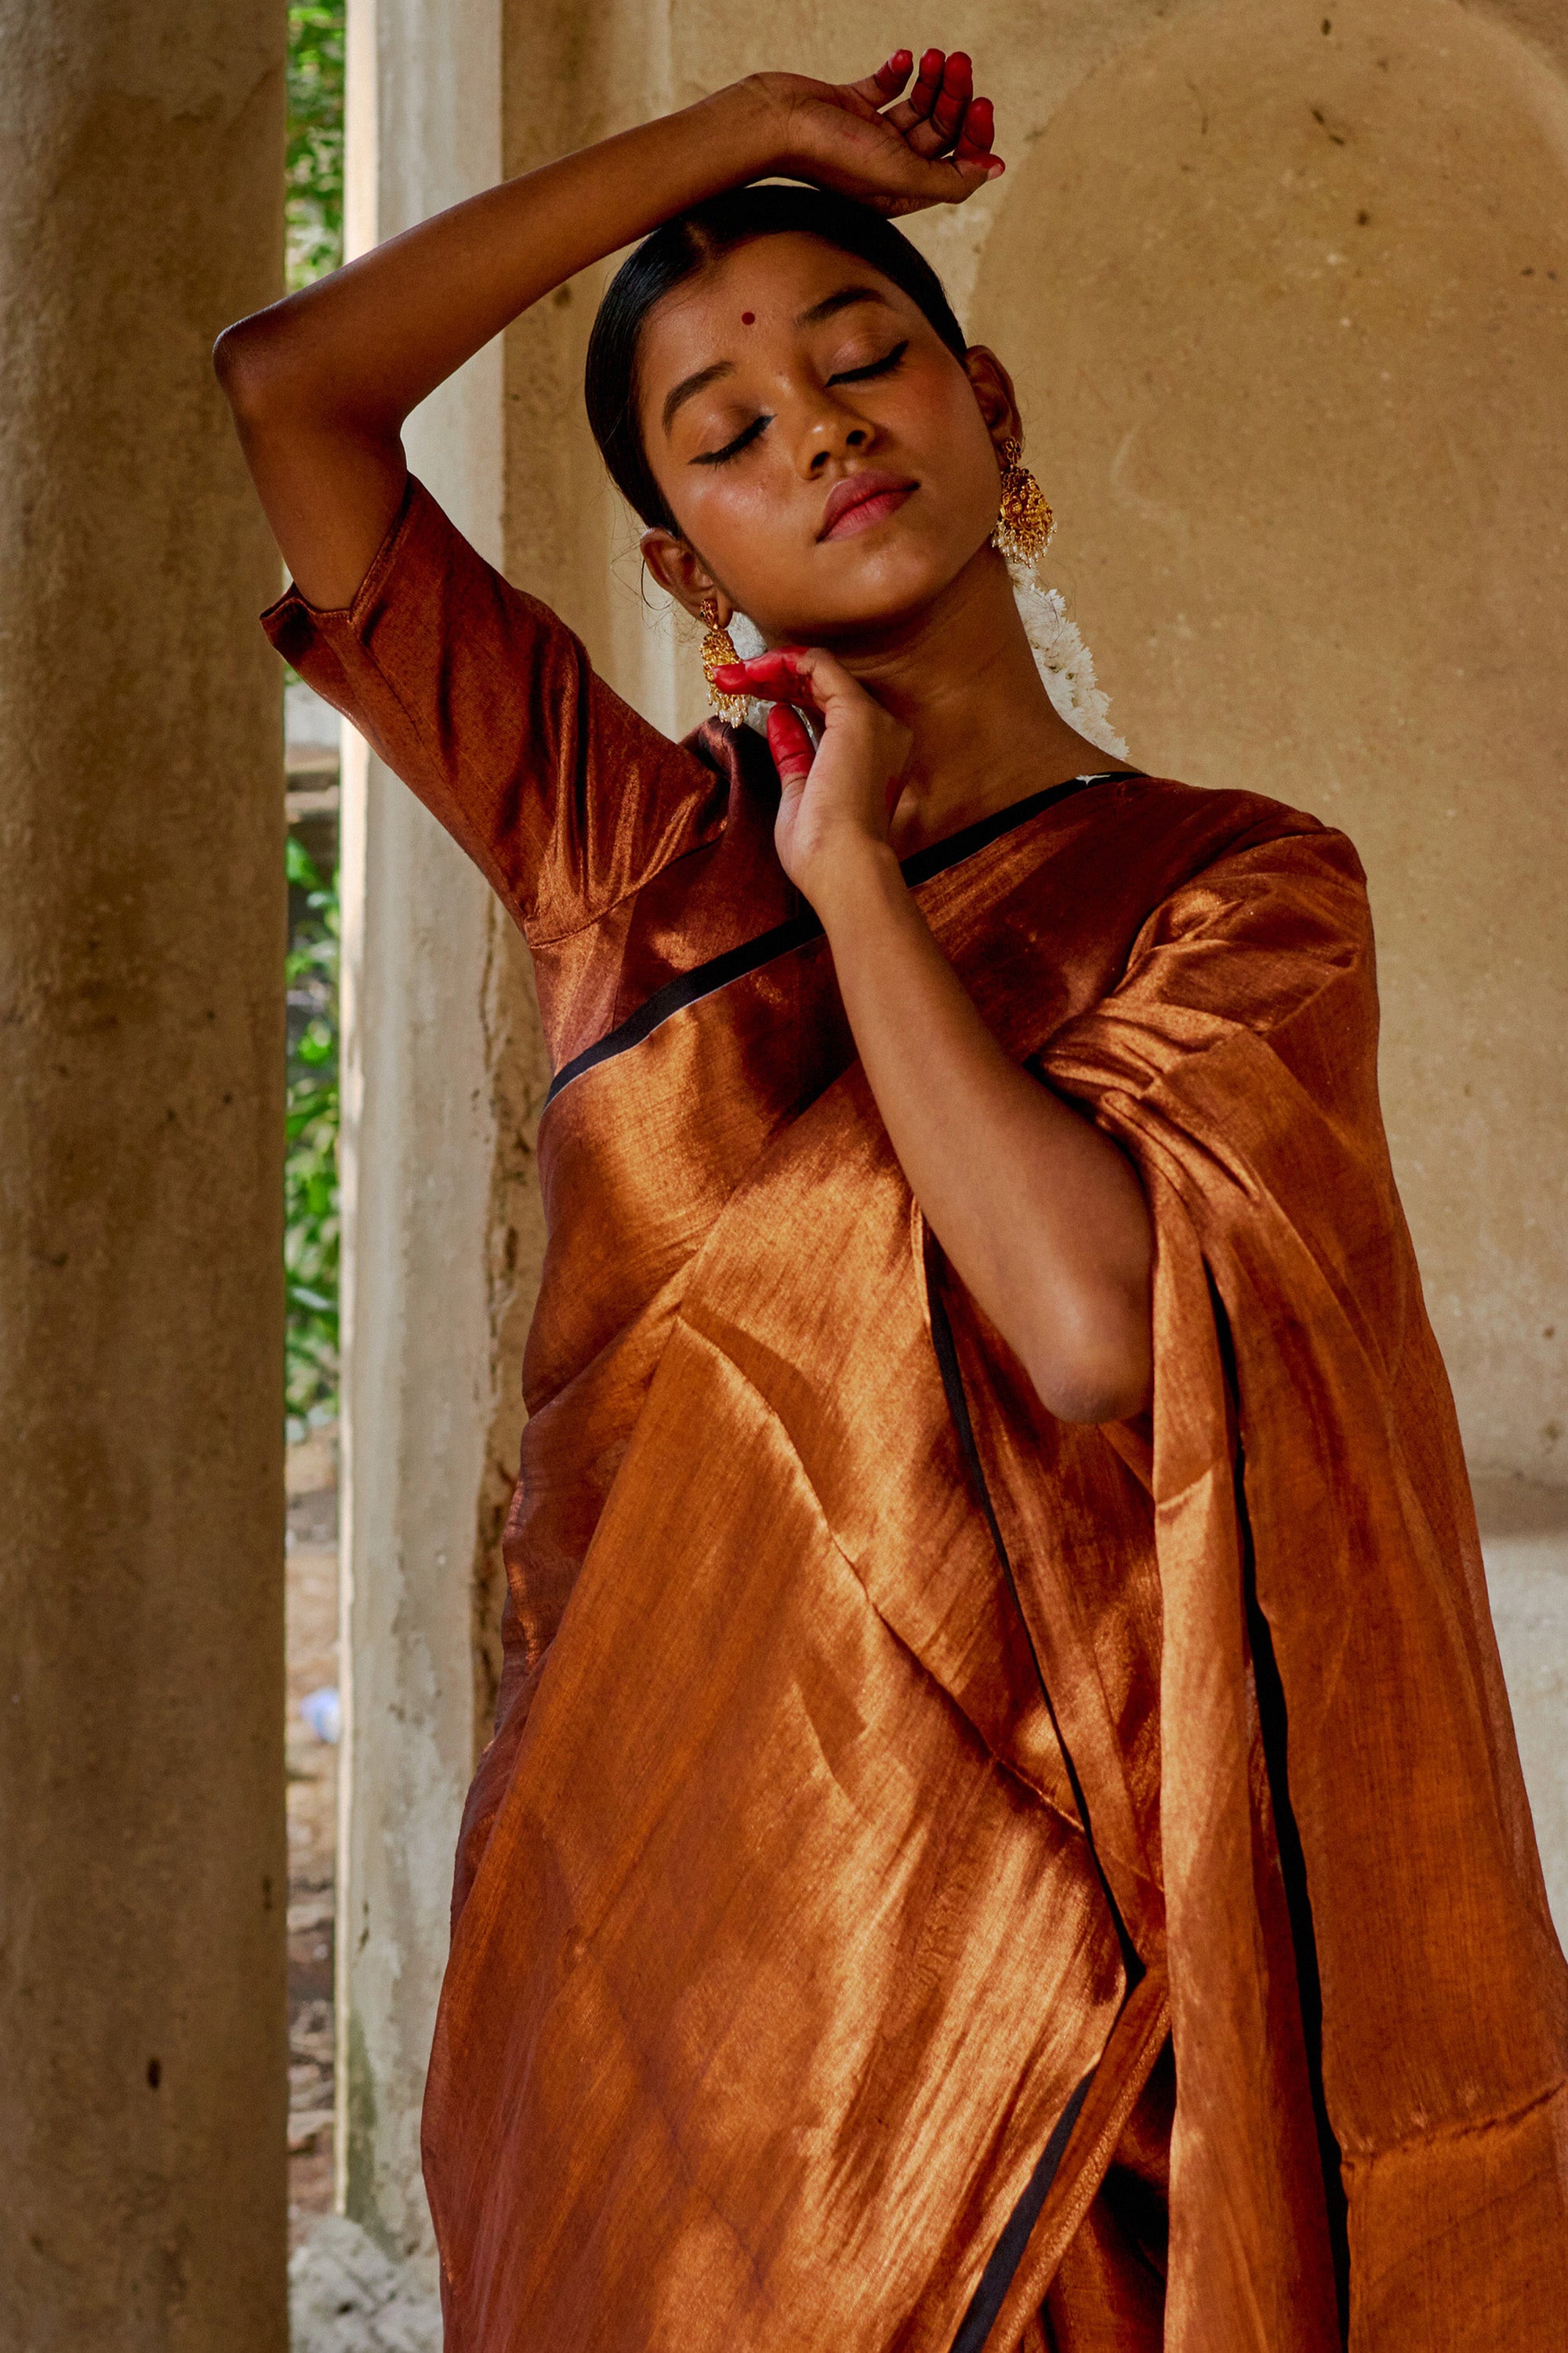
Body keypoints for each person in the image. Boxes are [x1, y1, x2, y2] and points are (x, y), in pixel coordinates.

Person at [216, 49, 1568, 2352]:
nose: (822, 432)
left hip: (1079, 2037)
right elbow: (292, 394)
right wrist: (745, 132)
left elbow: (1098, 1332)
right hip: (667, 1999)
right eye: (727, 433)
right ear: (678, 564)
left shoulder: (1238, 894)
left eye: (864, 362)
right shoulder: (632, 869)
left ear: (987, 405)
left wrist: (852, 885)